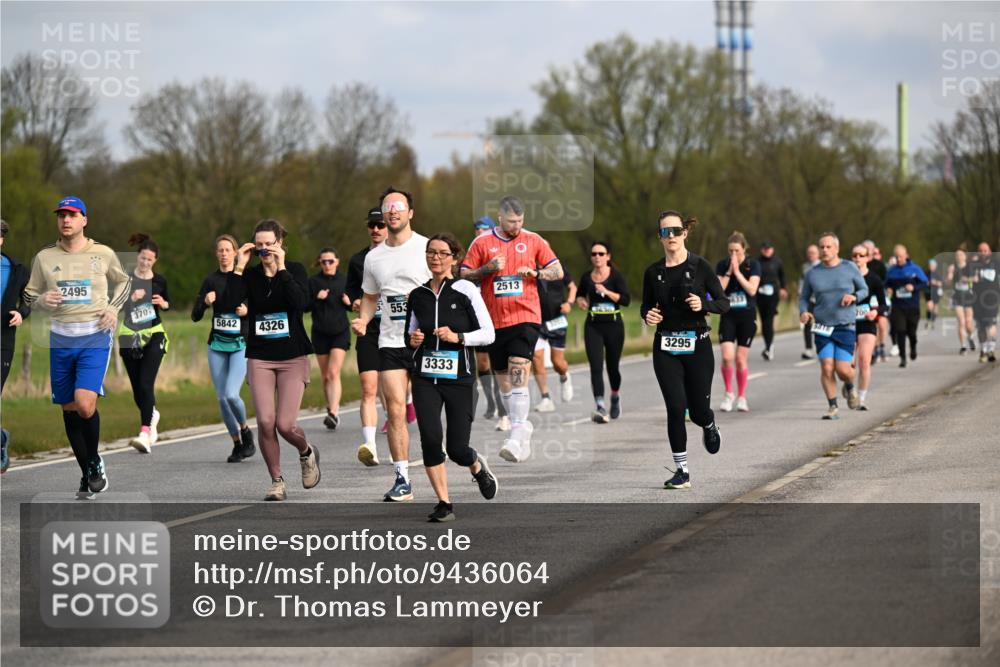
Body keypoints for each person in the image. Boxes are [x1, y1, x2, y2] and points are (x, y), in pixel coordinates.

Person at [22, 196, 131, 497]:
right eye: (61, 215)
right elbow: (29, 295)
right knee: (69, 409)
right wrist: (41, 301)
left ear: (84, 219)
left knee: (84, 403)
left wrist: (113, 308)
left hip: (94, 336)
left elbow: (124, 283)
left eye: (72, 215)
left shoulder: (103, 253)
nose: (65, 220)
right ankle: (87, 473)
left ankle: (94, 462)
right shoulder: (44, 257)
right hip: (60, 338)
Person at [460, 195, 564, 464]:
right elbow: (462, 274)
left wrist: (537, 274)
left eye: (520, 221)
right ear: (499, 218)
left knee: (519, 369)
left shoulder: (533, 240)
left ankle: (517, 436)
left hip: (525, 317)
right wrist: (487, 269)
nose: (516, 226)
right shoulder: (481, 242)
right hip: (493, 322)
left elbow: (558, 270)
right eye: (511, 222)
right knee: (504, 381)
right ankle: (521, 427)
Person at [405, 233, 499, 522]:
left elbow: (489, 334)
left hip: (460, 378)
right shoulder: (417, 295)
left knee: (457, 448)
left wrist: (458, 336)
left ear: (454, 259)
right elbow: (408, 335)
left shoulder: (466, 290)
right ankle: (444, 503)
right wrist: (414, 339)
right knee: (431, 439)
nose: (436, 258)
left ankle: (477, 468)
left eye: (442, 253)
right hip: (425, 378)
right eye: (431, 252)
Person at [352, 187, 432, 501]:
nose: (393, 211)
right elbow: (371, 297)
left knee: (430, 412)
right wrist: (363, 319)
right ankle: (402, 479)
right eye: (388, 207)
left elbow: (446, 289)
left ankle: (464, 458)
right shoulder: (374, 258)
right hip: (389, 341)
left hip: (427, 341)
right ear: (383, 215)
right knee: (396, 410)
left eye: (399, 206)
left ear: (410, 212)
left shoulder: (427, 248)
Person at [234, 219, 319, 501]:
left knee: (286, 425)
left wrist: (281, 269)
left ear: (280, 244)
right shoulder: (250, 276)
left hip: (292, 356)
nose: (264, 250)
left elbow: (301, 303)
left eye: (269, 244)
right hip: (260, 356)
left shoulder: (294, 271)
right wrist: (238, 266)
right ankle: (277, 481)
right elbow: (230, 302)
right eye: (258, 245)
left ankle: (306, 452)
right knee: (266, 422)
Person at [642, 211, 727, 490]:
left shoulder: (701, 266)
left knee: (699, 411)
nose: (671, 237)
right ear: (660, 237)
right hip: (665, 346)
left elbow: (724, 303)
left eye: (676, 231)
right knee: (676, 408)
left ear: (684, 233)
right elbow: (645, 307)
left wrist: (703, 305)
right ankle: (682, 471)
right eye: (665, 232)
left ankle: (709, 424)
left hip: (698, 345)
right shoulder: (653, 272)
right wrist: (648, 316)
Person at [191, 234, 255, 462]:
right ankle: (238, 444)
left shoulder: (246, 278)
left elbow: (259, 307)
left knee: (231, 394)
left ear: (236, 253)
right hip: (217, 345)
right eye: (221, 250)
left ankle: (246, 431)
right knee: (221, 399)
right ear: (216, 253)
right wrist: (205, 303)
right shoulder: (210, 280)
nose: (224, 253)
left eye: (228, 250)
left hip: (239, 344)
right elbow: (195, 316)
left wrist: (248, 311)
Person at [798, 232, 868, 419]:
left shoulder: (849, 267)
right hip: (822, 326)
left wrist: (854, 297)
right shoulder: (812, 273)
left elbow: (864, 289)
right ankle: (833, 406)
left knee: (843, 369)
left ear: (836, 249)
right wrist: (804, 311)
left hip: (845, 325)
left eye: (829, 247)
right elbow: (804, 297)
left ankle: (850, 385)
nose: (825, 250)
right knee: (827, 367)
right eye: (822, 247)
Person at [118, 233, 169, 453]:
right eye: (143, 258)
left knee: (147, 383)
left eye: (150, 259)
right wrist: (132, 298)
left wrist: (163, 303)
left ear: (154, 260)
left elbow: (167, 303)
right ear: (137, 256)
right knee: (138, 390)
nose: (145, 262)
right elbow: (116, 306)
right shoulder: (126, 279)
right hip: (129, 334)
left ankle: (145, 433)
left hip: (154, 333)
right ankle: (152, 415)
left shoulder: (160, 281)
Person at [346, 207, 389, 465]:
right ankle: (370, 445)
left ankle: (398, 444)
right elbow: (350, 292)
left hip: (395, 331)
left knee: (393, 394)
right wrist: (353, 302)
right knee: (368, 389)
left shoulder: (399, 256)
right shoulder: (357, 260)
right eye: (372, 225)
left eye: (380, 225)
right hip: (368, 331)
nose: (376, 230)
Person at [576, 241, 630, 422]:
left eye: (601, 253)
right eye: (594, 254)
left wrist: (606, 291)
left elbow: (626, 300)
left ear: (608, 256)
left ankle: (614, 396)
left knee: (612, 367)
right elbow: (580, 296)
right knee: (596, 366)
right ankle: (600, 405)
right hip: (593, 326)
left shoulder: (616, 277)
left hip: (614, 326)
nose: (597, 257)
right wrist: (581, 302)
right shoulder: (586, 277)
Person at [716, 232, 761, 413]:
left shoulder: (753, 265)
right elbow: (719, 290)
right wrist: (729, 271)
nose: (733, 254)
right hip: (728, 315)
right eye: (730, 251)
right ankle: (729, 393)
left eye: (737, 250)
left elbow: (752, 289)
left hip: (747, 316)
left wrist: (738, 272)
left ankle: (742, 396)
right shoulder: (722, 265)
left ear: (744, 249)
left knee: (741, 359)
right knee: (727, 356)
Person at [470, 216, 508, 427]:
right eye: (477, 228)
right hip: (476, 315)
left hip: (495, 314)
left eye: (484, 228)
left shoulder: (499, 250)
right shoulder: (474, 250)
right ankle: (492, 403)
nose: (480, 232)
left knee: (497, 364)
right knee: (483, 364)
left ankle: (503, 409)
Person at [1, 220, 31, 473]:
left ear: (2, 239)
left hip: (3, 340)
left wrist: (22, 313)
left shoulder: (18, 270)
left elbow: (30, 299)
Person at [309, 247, 351, 430]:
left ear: (337, 261)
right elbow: (303, 306)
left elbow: (357, 306)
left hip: (340, 331)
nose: (327, 265)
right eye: (323, 262)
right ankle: (330, 409)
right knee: (326, 376)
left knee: (334, 372)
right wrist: (317, 298)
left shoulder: (345, 280)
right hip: (320, 333)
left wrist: (349, 303)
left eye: (330, 261)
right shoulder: (313, 282)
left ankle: (334, 413)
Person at [533, 256, 575, 413]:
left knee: (557, 362)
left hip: (557, 320)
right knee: (536, 357)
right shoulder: (530, 271)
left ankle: (564, 375)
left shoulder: (559, 269)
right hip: (537, 322)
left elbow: (572, 287)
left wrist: (569, 303)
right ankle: (546, 398)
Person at [851, 244, 887, 410]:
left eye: (861, 255)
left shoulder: (874, 279)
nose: (858, 258)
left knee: (864, 361)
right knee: (848, 365)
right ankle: (849, 387)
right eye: (855, 255)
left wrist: (875, 312)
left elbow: (883, 304)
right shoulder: (846, 278)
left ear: (867, 258)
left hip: (867, 323)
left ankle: (862, 399)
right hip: (848, 324)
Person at [884, 244, 928, 368]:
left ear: (906, 256)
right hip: (898, 306)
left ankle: (913, 347)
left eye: (901, 256)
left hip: (912, 306)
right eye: (896, 257)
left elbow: (924, 283)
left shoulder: (915, 269)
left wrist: (914, 287)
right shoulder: (892, 270)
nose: (898, 259)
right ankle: (903, 357)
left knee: (911, 332)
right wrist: (889, 289)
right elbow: (886, 284)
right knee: (900, 331)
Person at [756, 241, 787, 361]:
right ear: (761, 250)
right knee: (764, 322)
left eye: (769, 249)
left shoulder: (777, 262)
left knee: (769, 320)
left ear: (772, 250)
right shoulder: (757, 262)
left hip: (773, 294)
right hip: (760, 294)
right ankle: (768, 345)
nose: (767, 251)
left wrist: (784, 288)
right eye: (765, 249)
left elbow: (782, 276)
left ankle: (769, 348)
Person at [971, 242, 999, 363]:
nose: (983, 253)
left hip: (992, 298)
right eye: (981, 251)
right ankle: (983, 350)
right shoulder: (973, 266)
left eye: (985, 250)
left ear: (990, 252)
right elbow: (962, 279)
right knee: (981, 327)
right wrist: (971, 279)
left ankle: (991, 348)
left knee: (991, 324)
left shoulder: (996, 265)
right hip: (977, 300)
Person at [864, 241, 890, 363]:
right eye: (865, 249)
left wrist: (886, 288)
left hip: (879, 296)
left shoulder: (879, 265)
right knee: (872, 323)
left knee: (882, 323)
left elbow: (886, 280)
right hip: (865, 299)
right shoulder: (858, 265)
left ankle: (882, 345)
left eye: (870, 249)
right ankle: (873, 348)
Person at [948, 248, 977, 355]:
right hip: (957, 297)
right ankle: (963, 346)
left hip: (968, 296)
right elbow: (948, 281)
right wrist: (950, 274)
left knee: (969, 324)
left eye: (961, 255)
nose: (958, 257)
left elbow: (976, 279)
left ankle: (970, 336)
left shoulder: (970, 267)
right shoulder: (953, 267)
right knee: (961, 321)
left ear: (965, 256)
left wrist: (967, 280)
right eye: (957, 255)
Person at [799, 244, 820, 359]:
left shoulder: (822, 266)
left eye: (813, 253)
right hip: (809, 300)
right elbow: (802, 282)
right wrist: (801, 293)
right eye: (809, 253)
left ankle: (820, 346)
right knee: (807, 323)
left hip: (820, 300)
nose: (811, 255)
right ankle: (808, 348)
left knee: (819, 323)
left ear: (818, 254)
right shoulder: (805, 267)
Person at [925, 258, 942, 329]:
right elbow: (923, 281)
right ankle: (929, 320)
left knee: (935, 308)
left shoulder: (937, 274)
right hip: (928, 292)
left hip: (936, 293)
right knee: (929, 306)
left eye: (932, 265)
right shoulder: (926, 273)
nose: (931, 266)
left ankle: (932, 321)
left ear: (935, 266)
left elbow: (941, 283)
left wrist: (934, 282)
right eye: (930, 265)